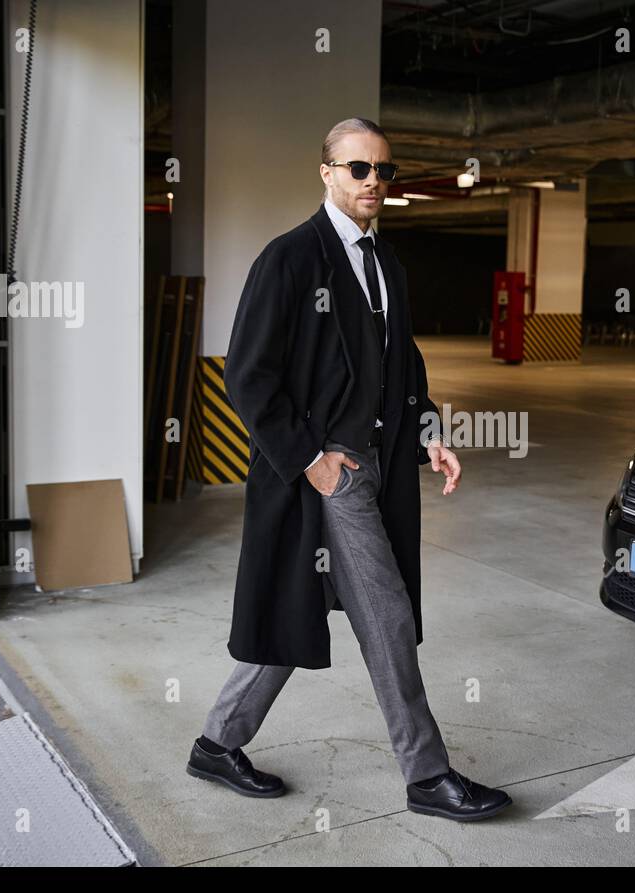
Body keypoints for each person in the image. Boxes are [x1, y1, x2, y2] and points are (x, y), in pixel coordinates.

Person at [187, 117, 511, 822]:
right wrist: (312, 463)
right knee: (386, 616)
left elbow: (405, 363)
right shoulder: (291, 259)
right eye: (358, 169)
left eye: (384, 171)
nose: (374, 183)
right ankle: (428, 776)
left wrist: (429, 430)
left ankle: (217, 743)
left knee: (297, 613)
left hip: (378, 467)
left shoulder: (385, 262)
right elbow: (248, 378)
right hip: (328, 478)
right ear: (327, 172)